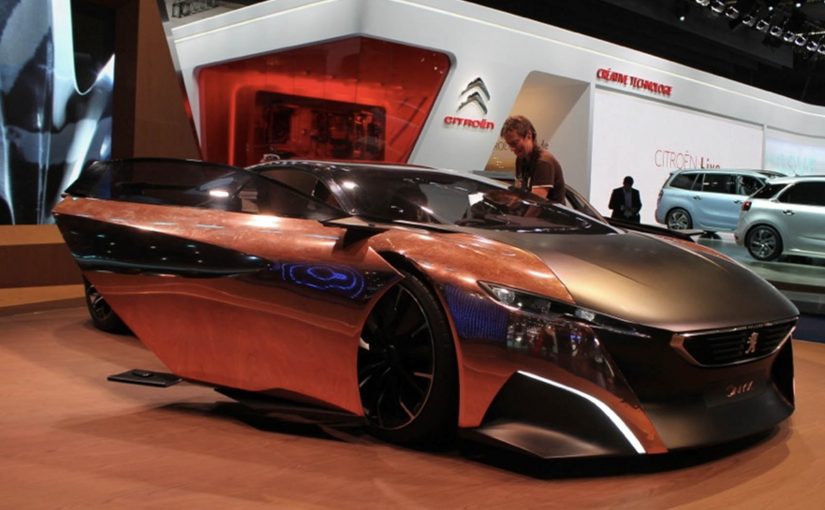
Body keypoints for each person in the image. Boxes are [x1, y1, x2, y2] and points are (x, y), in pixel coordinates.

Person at [500, 115, 566, 203]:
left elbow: (536, 204)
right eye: (509, 145)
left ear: (529, 135)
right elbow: (518, 193)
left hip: (551, 216)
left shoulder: (543, 162)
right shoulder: (520, 159)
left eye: (515, 143)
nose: (512, 148)